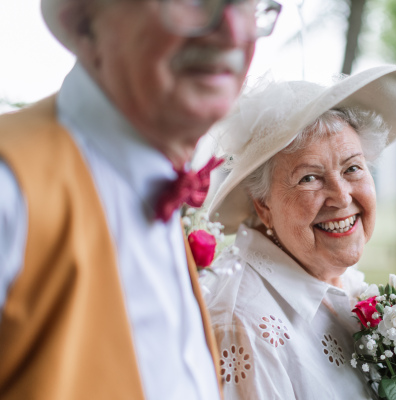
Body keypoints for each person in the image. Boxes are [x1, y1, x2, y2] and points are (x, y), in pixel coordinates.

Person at [0, 0, 281, 399]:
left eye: (248, 6)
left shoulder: (156, 187)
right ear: (84, 22)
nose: (234, 33)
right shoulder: (10, 188)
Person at [205, 65, 396, 399]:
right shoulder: (244, 326)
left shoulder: (340, 283)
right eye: (309, 178)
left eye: (352, 168)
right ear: (263, 206)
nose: (342, 196)